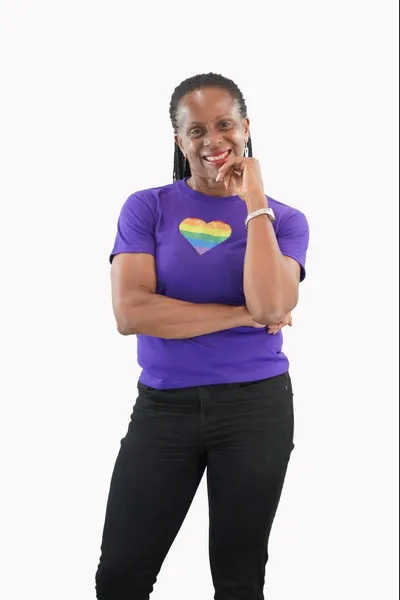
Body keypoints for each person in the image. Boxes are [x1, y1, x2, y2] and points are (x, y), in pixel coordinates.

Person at [95, 72, 310, 600]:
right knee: (121, 576)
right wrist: (244, 315)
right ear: (179, 140)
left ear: (246, 128)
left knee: (239, 581)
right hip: (163, 410)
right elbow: (131, 312)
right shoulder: (147, 207)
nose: (213, 140)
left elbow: (276, 303)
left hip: (256, 410)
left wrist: (252, 196)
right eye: (196, 131)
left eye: (225, 125)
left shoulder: (285, 220)